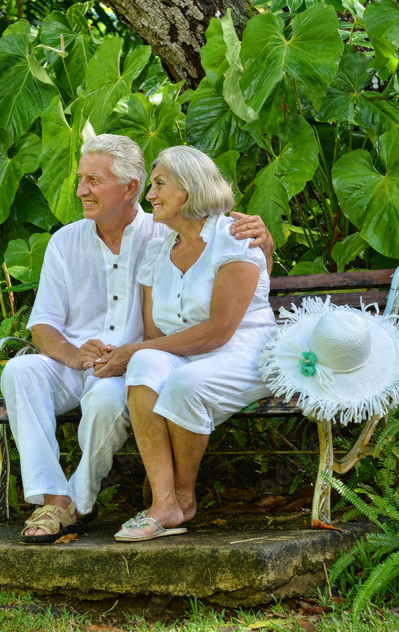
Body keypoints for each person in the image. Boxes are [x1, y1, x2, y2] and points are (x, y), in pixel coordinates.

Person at [2, 135, 272, 543]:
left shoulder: (161, 231)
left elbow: (235, 284)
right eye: (80, 179)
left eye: (93, 180)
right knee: (21, 370)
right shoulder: (77, 241)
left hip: (134, 367)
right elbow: (44, 325)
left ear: (130, 188)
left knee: (114, 396)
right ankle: (55, 499)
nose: (80, 191)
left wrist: (264, 239)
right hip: (93, 361)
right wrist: (76, 355)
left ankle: (81, 503)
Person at [91, 145, 278, 542]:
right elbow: (155, 337)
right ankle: (163, 504)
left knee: (182, 383)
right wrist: (135, 354)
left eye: (160, 184)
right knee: (145, 366)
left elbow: (220, 331)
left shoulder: (233, 238)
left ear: (191, 189)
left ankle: (182, 497)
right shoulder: (157, 252)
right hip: (190, 356)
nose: (150, 195)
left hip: (244, 353)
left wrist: (131, 351)